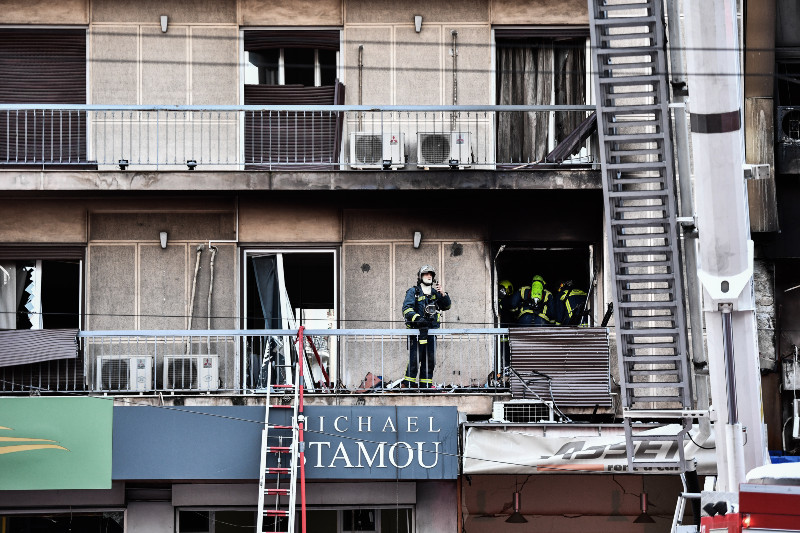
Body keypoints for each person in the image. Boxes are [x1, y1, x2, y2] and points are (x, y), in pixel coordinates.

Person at [402, 265, 452, 388]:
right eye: (426, 274)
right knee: (415, 359)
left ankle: (426, 386)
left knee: (430, 360)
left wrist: (443, 294)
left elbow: (446, 306)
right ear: (420, 276)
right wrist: (418, 319)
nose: (429, 276)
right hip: (417, 333)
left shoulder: (435, 293)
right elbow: (406, 309)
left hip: (431, 333)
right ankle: (409, 385)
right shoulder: (413, 292)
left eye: (431, 274)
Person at [498, 280, 515, 369]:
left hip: (504, 328)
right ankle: (505, 364)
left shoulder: (503, 300)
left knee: (505, 347)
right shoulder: (505, 301)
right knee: (505, 348)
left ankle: (505, 364)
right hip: (503, 328)